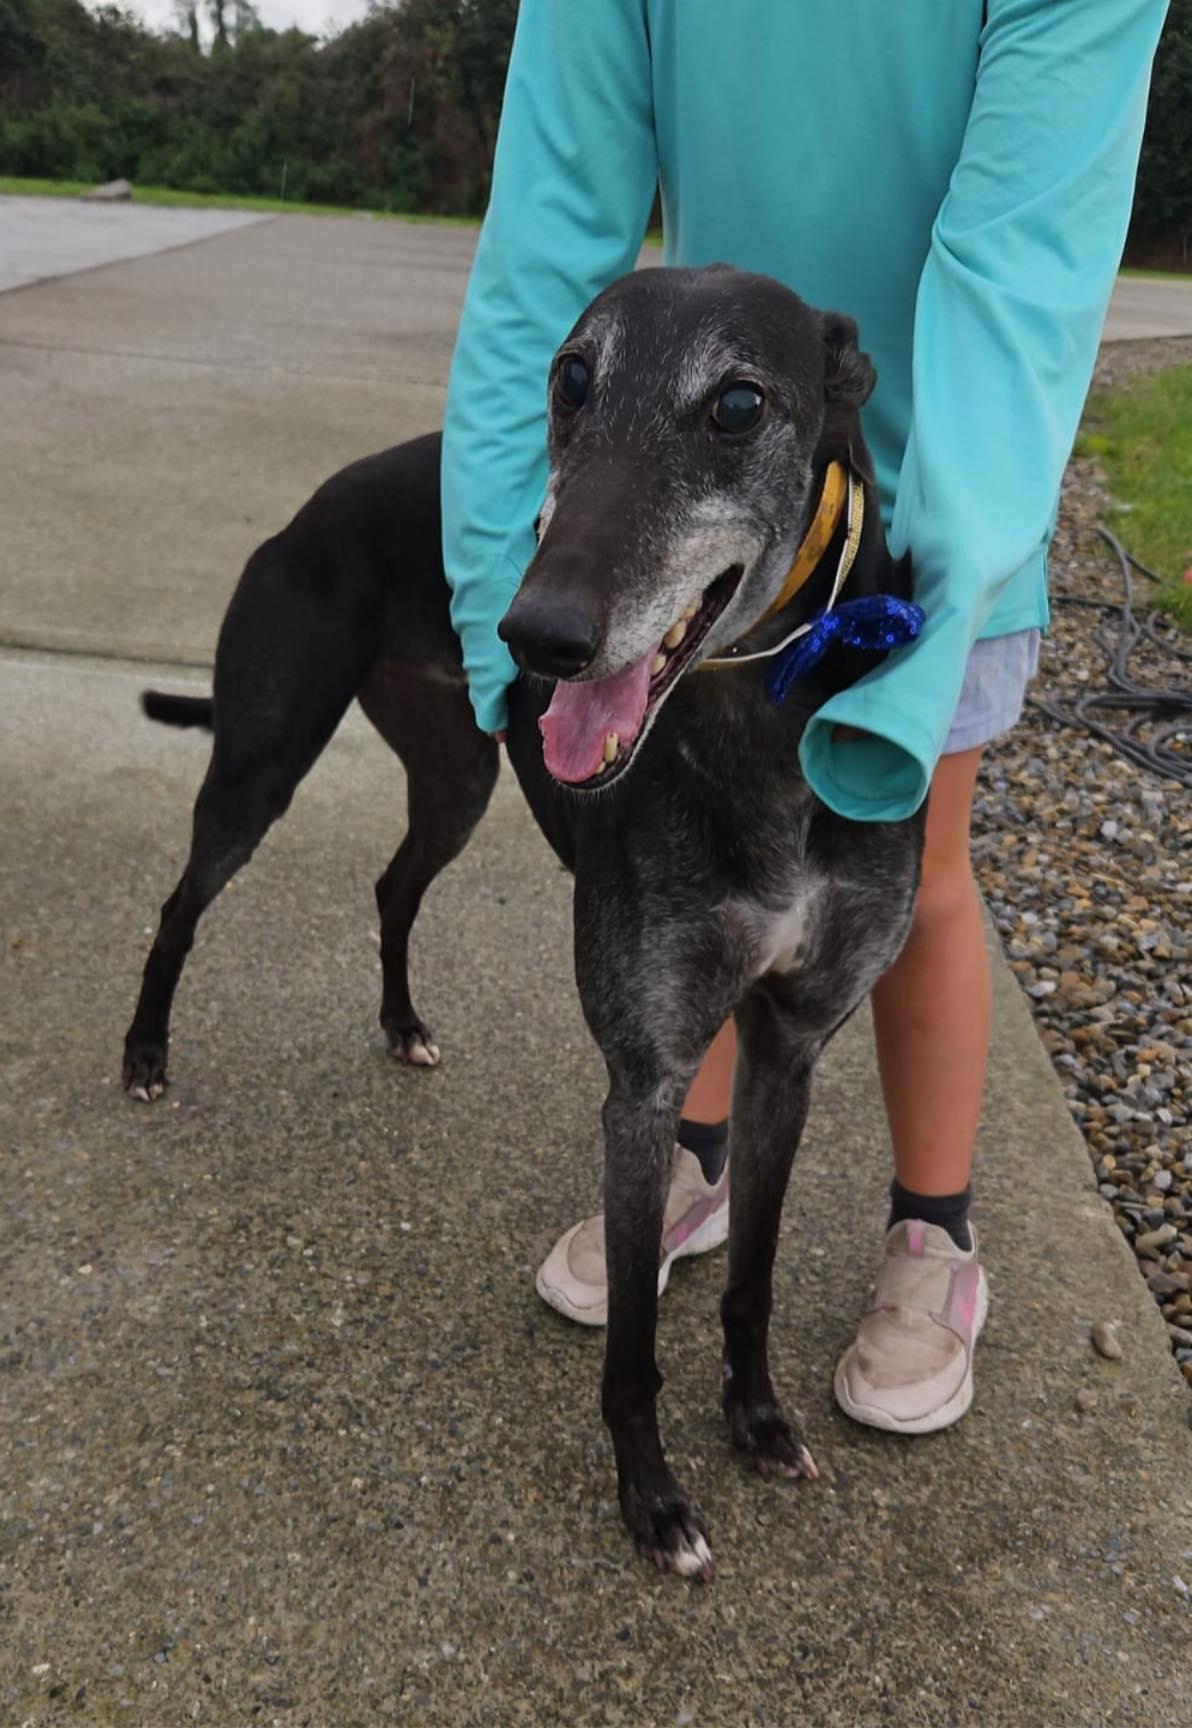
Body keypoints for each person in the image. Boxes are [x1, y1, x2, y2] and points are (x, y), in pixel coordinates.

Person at [440, 0, 1168, 1433]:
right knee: (700, 855)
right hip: (691, 478)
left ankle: (933, 1235)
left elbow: (1017, 258)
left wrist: (924, 598)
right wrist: (493, 593)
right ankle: (692, 1159)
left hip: (939, 492)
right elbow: (552, 217)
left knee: (914, 874)